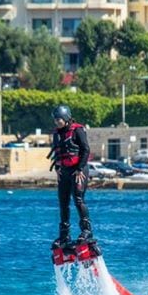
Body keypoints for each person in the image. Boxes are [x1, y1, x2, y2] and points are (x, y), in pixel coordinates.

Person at [49, 105, 94, 246]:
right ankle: (64, 236)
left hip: (78, 170)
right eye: (55, 120)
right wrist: (57, 167)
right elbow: (57, 151)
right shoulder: (57, 133)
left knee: (78, 199)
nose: (57, 122)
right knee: (63, 203)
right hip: (64, 171)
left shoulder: (78, 130)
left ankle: (86, 231)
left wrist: (80, 169)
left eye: (59, 120)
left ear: (66, 118)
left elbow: (86, 150)